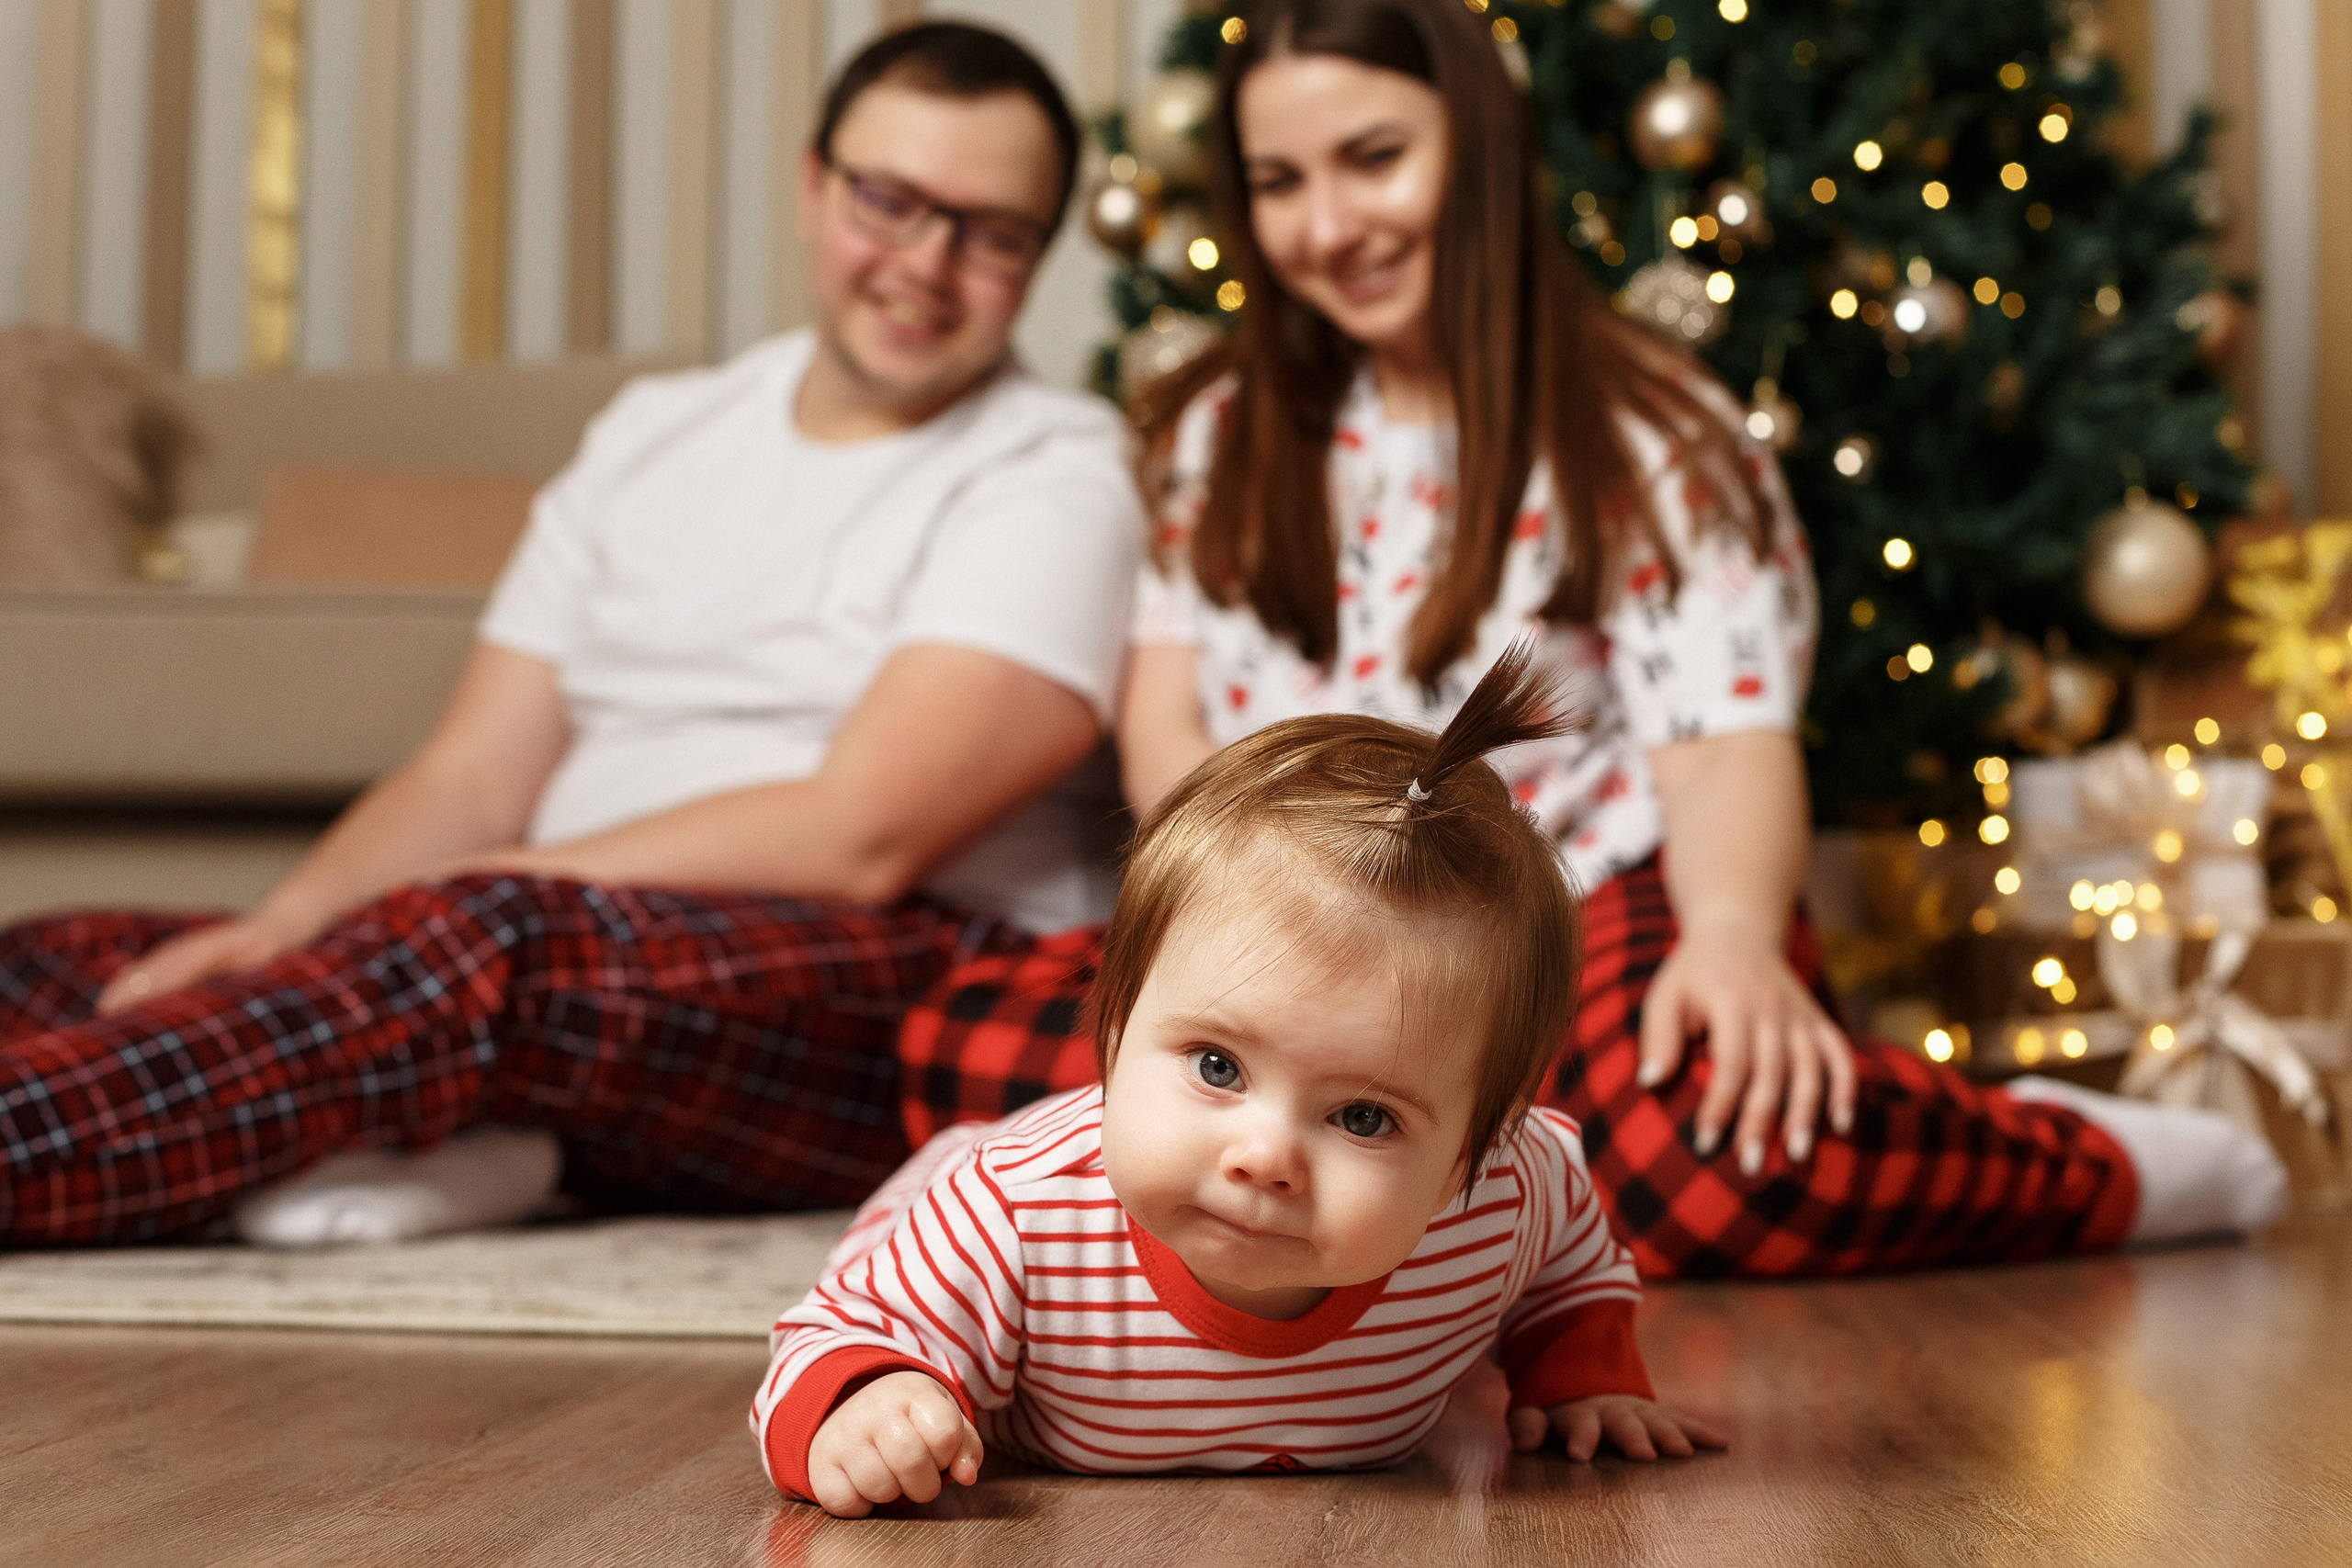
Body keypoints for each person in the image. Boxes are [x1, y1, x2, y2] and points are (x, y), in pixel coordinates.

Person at [897, 0, 2287, 1276]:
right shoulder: (1217, 436)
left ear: (1481, 148)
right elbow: (1168, 733)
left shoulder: (1646, 432)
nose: (1328, 224)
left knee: (1709, 1148)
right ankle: (1471, 1172)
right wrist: (1218, 931)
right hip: (1288, 924)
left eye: (1374, 158)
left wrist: (1733, 941)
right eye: (1278, 182)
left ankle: (2082, 1156)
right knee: (976, 1050)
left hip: (1594, 897)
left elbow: (1723, 744)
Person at [0, 22, 1142, 1247]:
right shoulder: (655, 431)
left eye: (991, 232)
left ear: (1037, 256)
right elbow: (470, 774)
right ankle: (452, 1126)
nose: (926, 262)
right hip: (555, 943)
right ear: (814, 186)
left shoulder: (1061, 471)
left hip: (885, 974)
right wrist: (292, 924)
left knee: (479, 947)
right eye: (890, 202)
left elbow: (861, 833)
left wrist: (465, 901)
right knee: (64, 957)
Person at [756, 649, 1727, 1515]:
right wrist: (870, 1400)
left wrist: (1583, 1372)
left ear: (1467, 1153)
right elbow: (826, 1337)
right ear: (1115, 1027)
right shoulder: (1009, 1217)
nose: (1265, 1157)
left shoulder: (1512, 1190)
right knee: (895, 1290)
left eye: (1362, 1117)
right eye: (1218, 1067)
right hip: (949, 1192)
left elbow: (1570, 1262)